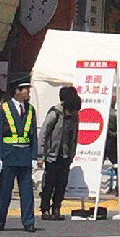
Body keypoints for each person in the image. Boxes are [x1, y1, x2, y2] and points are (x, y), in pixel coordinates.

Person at [0, 77, 38, 233]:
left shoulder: (30, 110)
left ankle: (29, 222)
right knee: (4, 191)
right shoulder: (2, 109)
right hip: (8, 155)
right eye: (26, 90)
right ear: (17, 91)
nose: (28, 92)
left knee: (27, 192)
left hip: (24, 155)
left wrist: (35, 157)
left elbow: (33, 136)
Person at [39, 86, 81, 221]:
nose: (73, 112)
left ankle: (56, 207)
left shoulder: (75, 115)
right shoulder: (55, 113)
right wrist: (40, 154)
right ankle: (45, 208)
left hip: (66, 155)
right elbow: (43, 133)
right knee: (50, 183)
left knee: (62, 183)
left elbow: (75, 136)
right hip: (53, 154)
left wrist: (72, 153)